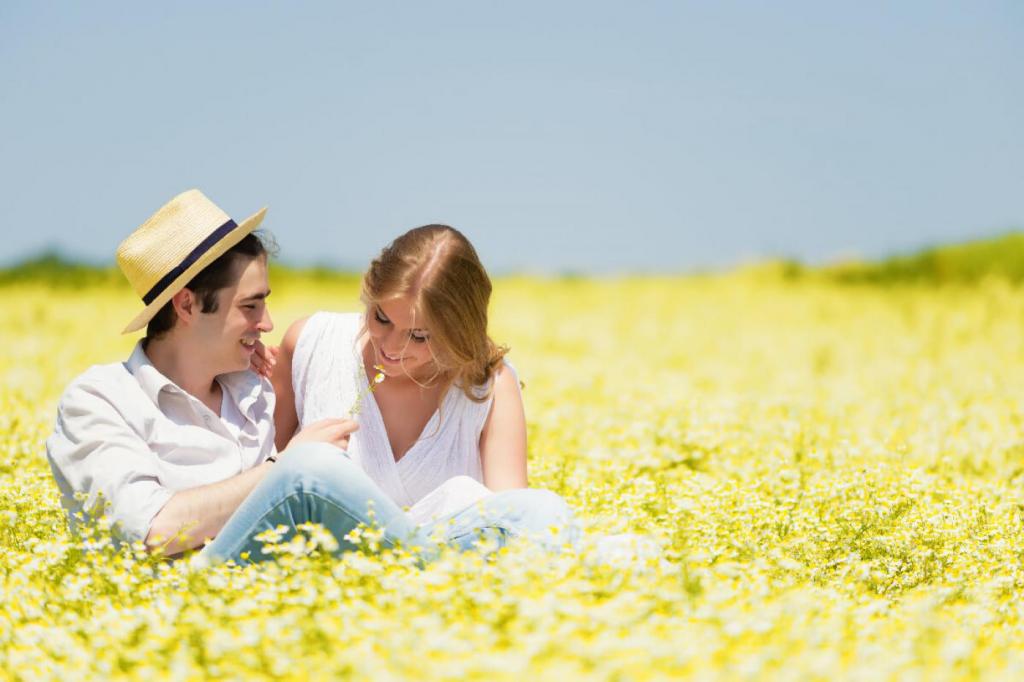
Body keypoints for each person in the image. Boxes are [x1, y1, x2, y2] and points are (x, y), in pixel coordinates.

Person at [45, 190, 573, 565]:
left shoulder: (251, 390)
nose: (267, 325)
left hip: (290, 589)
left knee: (537, 510)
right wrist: (287, 464)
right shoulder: (100, 400)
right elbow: (151, 530)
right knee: (315, 468)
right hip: (188, 598)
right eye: (251, 307)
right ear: (187, 305)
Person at [262, 225, 580, 549]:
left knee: (546, 515)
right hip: (317, 567)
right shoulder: (312, 343)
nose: (391, 346)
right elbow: (257, 484)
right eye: (381, 318)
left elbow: (514, 522)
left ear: (458, 329)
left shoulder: (491, 385)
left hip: (443, 575)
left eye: (419, 336)